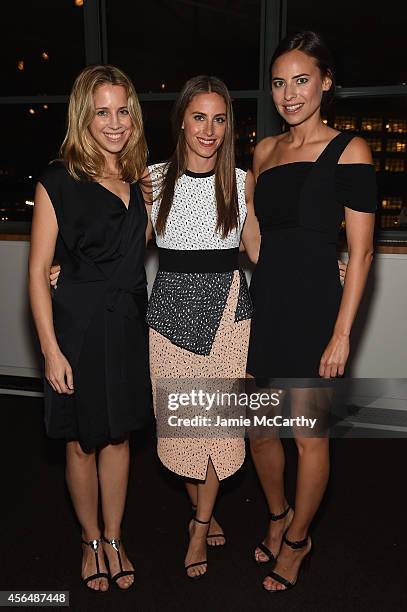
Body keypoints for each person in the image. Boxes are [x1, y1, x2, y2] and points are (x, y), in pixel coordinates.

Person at [246, 31, 376, 592]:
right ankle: (278, 516)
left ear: (325, 82)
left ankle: (299, 540)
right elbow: (254, 229)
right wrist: (264, 269)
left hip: (317, 309)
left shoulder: (352, 150)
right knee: (257, 429)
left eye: (302, 80)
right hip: (268, 302)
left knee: (307, 435)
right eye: (279, 83)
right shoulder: (264, 150)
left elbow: (363, 248)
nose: (289, 94)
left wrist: (341, 332)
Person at [28, 65, 151, 591]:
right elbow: (36, 272)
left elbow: (140, 246)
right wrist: (51, 351)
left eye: (123, 110)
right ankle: (90, 539)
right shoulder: (59, 180)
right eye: (102, 111)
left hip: (126, 324)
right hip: (75, 331)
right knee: (81, 442)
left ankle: (116, 536)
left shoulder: (142, 178)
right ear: (84, 115)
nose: (115, 122)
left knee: (118, 436)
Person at [145, 75, 260, 578]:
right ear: (182, 120)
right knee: (180, 427)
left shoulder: (241, 181)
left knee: (216, 426)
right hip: (169, 314)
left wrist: (322, 267)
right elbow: (119, 247)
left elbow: (261, 250)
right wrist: (68, 267)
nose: (209, 130)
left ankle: (199, 523)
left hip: (228, 318)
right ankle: (204, 509)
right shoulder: (152, 180)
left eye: (219, 119)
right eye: (199, 117)